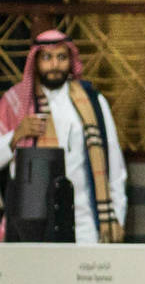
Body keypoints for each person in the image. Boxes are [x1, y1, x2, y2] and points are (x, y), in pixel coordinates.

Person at [0, 29, 125, 242]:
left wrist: (117, 218)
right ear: (36, 61)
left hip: (85, 219)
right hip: (31, 220)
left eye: (61, 57)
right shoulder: (15, 102)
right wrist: (16, 135)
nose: (55, 65)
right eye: (47, 57)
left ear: (70, 60)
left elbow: (114, 164)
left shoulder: (93, 102)